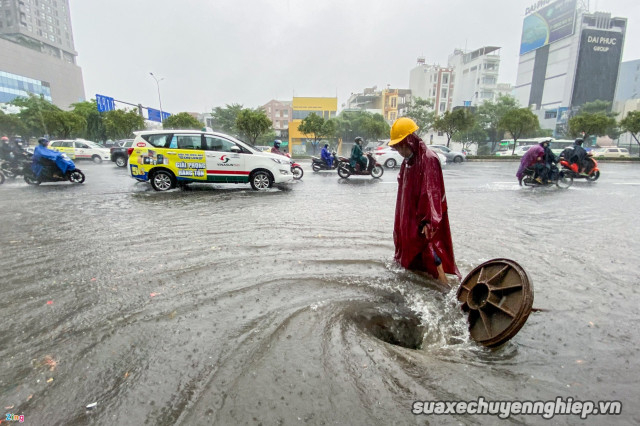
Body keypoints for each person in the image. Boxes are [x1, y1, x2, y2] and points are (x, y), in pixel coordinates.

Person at [390, 117, 461, 286]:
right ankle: (422, 281)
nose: (399, 150)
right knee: (413, 253)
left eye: (401, 145)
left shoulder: (428, 159)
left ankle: (446, 289)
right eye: (396, 146)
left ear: (410, 140)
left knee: (431, 251)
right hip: (410, 220)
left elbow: (432, 192)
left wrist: (428, 221)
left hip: (425, 220)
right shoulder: (408, 162)